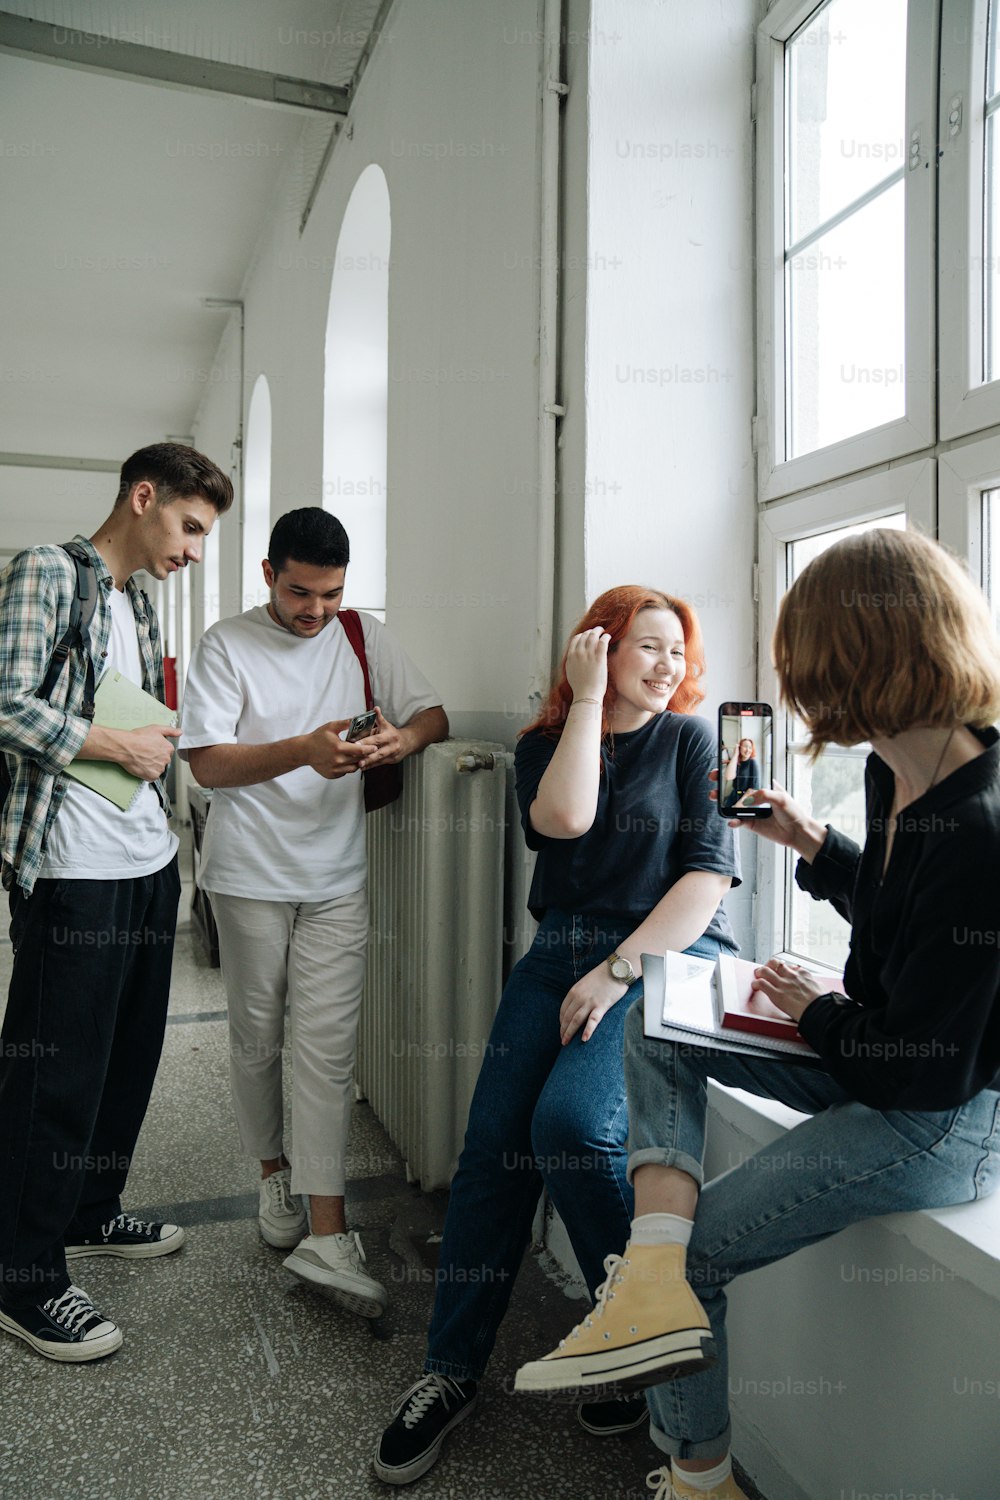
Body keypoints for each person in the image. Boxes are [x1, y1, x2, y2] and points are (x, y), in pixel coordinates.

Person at [515, 529, 1000, 1500]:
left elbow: (920, 1070)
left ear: (869, 659)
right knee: (658, 998)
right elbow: (913, 930)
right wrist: (815, 846)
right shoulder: (890, 771)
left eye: (807, 666)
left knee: (702, 1264)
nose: (793, 690)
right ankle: (647, 1270)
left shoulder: (982, 826)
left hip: (932, 1119)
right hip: (866, 1042)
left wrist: (816, 1012)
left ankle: (703, 1477)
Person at [373, 585, 740, 1486]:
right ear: (597, 652)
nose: (666, 666)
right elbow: (563, 822)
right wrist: (582, 706)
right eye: (645, 647)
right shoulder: (547, 745)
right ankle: (449, 1373)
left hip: (659, 956)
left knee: (571, 1129)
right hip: (560, 951)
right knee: (491, 1149)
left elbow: (705, 883)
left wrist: (618, 975)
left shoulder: (697, 741)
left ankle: (635, 1344)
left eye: (675, 650)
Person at [180, 507, 447, 1316]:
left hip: (337, 877)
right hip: (250, 875)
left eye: (331, 594)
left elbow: (431, 713)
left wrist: (402, 741)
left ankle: (328, 1232)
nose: (316, 611)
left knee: (326, 1051)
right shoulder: (227, 643)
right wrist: (303, 748)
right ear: (269, 575)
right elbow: (205, 765)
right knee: (258, 1036)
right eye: (301, 593)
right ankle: (273, 1179)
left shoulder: (363, 635)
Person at [0, 443, 233, 1363]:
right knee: (54, 1071)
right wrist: (109, 739)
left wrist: (156, 744)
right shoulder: (46, 571)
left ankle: (91, 1210)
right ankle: (22, 1274)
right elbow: (4, 697)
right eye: (189, 527)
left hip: (144, 859)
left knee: (127, 1058)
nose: (194, 550)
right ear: (144, 498)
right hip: (70, 864)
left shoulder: (139, 600)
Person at [721, 737, 758, 811]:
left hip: (748, 797)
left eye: (750, 747)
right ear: (739, 748)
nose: (748, 750)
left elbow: (753, 789)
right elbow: (728, 777)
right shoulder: (736, 762)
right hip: (734, 794)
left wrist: (737, 806)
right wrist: (735, 755)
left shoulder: (753, 763)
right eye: (745, 746)